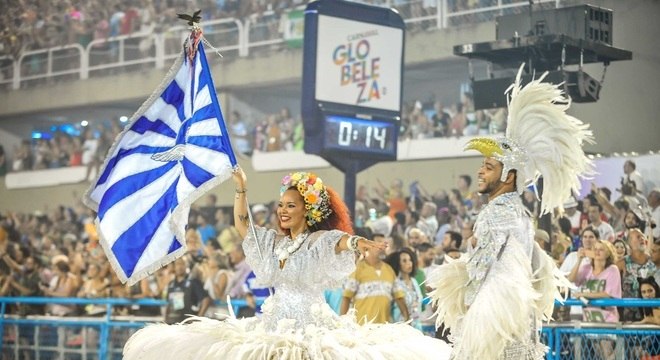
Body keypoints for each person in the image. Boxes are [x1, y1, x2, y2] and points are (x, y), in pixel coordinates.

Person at [124, 168, 451, 359]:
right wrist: (241, 188)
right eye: (280, 204)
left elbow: (341, 240)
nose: (282, 210)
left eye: (290, 205)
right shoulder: (272, 243)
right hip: (271, 327)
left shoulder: (318, 241)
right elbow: (243, 225)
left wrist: (359, 242)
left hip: (313, 333)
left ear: (306, 211)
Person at [428, 66, 593, 360]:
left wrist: (466, 296)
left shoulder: (499, 211)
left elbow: (486, 266)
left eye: (489, 167)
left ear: (508, 176)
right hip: (516, 323)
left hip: (495, 327)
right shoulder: (518, 211)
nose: (480, 171)